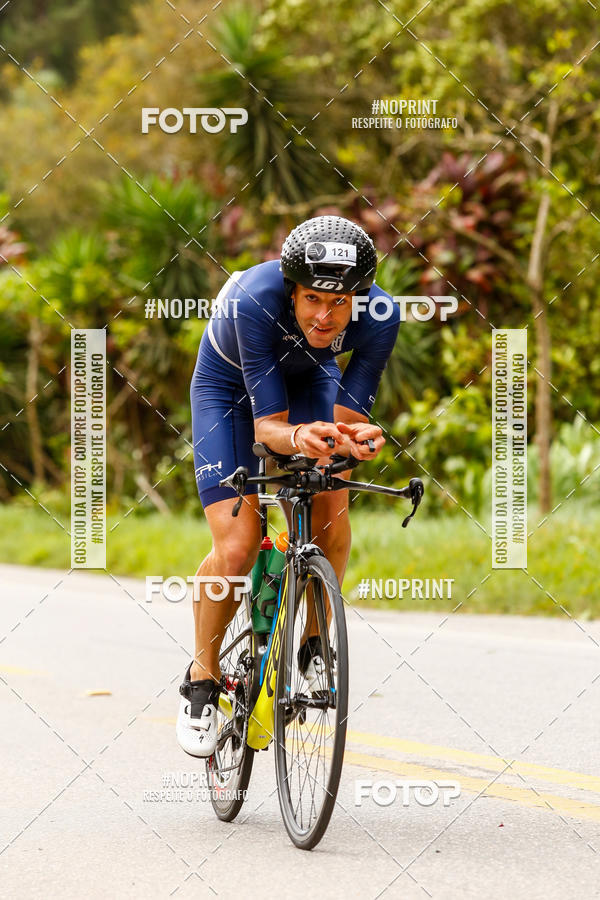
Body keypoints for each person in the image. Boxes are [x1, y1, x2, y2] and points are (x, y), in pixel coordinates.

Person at [177, 215, 400, 757]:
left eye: (341, 302)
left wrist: (352, 439)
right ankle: (202, 681)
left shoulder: (381, 317)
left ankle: (314, 642)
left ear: (359, 298)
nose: (326, 316)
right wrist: (301, 435)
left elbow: (345, 419)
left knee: (332, 506)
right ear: (290, 289)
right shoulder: (254, 302)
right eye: (312, 300)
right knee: (237, 544)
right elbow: (268, 428)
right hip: (228, 391)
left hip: (307, 384)